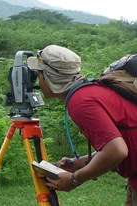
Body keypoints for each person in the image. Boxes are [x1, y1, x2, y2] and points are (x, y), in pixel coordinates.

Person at [27, 45, 137, 205]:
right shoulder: (90, 90)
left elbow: (117, 150)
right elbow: (120, 142)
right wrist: (77, 163)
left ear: (48, 77)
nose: (38, 80)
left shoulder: (81, 102)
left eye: (39, 75)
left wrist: (74, 179)